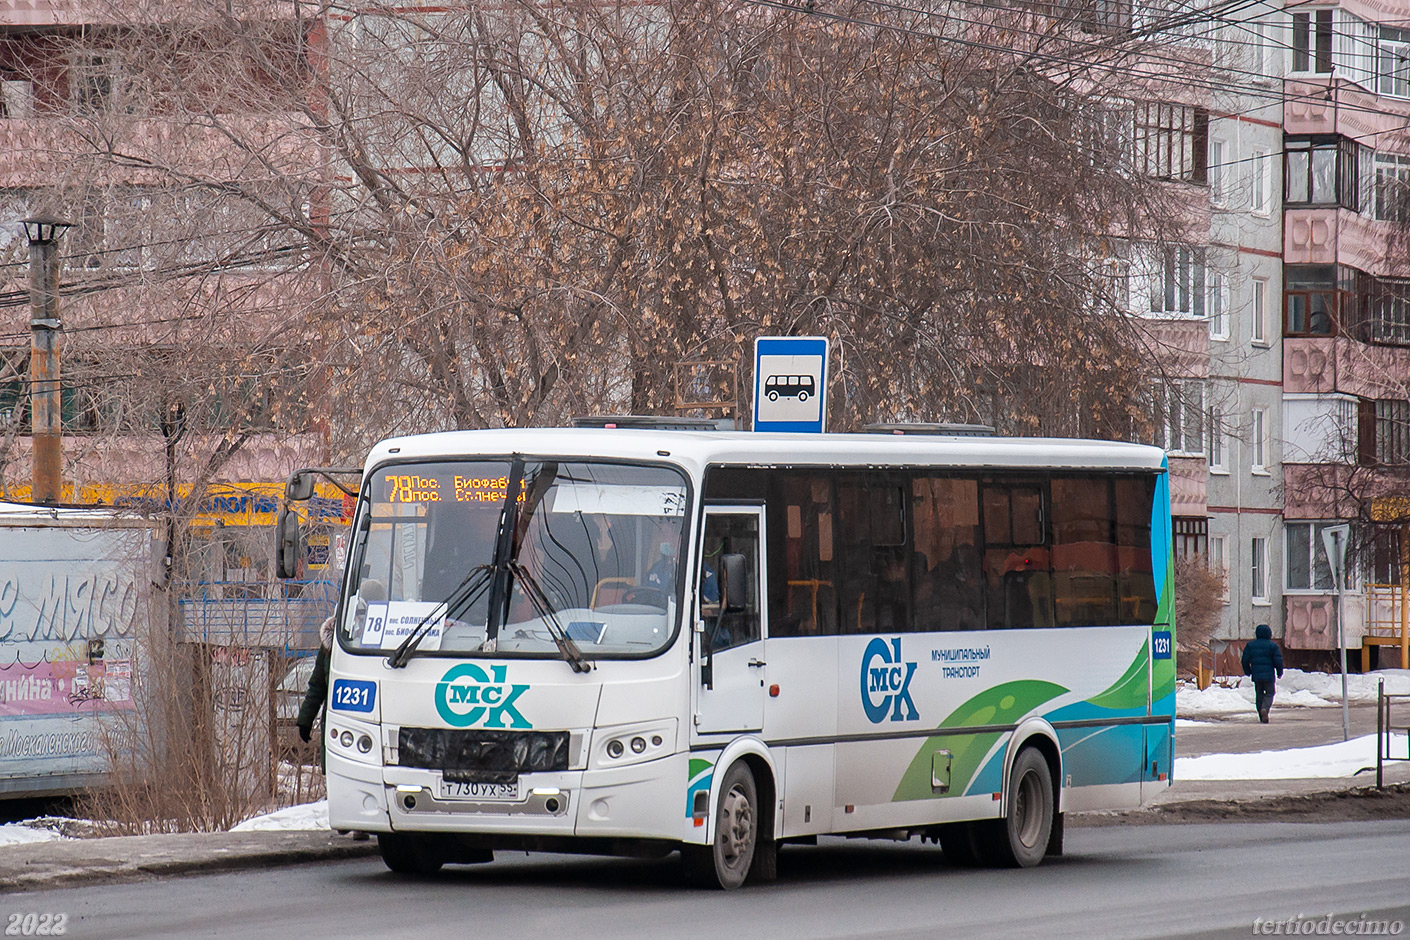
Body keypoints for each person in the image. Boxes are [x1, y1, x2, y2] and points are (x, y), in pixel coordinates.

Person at [1241, 623, 1285, 724]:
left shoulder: (1250, 645)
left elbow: (1245, 660)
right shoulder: (1273, 646)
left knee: (1259, 694)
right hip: (1269, 675)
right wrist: (1279, 671)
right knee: (1270, 693)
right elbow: (1278, 660)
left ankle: (1261, 715)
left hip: (1256, 675)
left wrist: (1247, 671)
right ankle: (1265, 708)